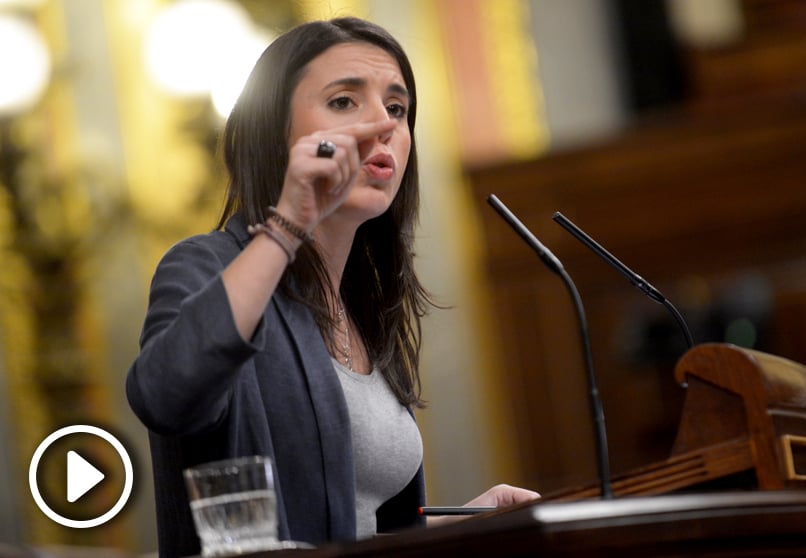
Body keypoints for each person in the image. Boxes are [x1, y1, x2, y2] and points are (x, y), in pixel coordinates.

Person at [125, 16, 539, 557]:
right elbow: (163, 395)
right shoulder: (205, 266)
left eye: (396, 108)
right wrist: (288, 223)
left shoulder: (362, 305)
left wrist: (469, 525)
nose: (381, 125)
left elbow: (354, 531)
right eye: (345, 101)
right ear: (276, 132)